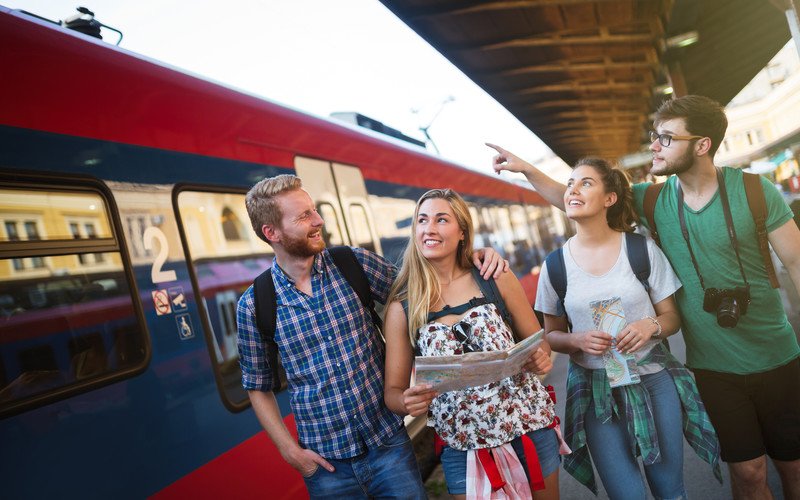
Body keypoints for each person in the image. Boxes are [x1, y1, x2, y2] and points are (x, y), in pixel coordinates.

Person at [488, 94, 800, 499]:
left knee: (792, 468)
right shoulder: (654, 200)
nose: (654, 145)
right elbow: (582, 199)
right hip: (713, 367)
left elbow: (795, 262)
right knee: (750, 473)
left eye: (666, 138)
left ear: (701, 145)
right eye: (655, 136)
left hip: (778, 355)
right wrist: (528, 169)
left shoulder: (756, 192)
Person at [236, 174, 507, 499]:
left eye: (314, 210)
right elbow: (257, 386)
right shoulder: (255, 304)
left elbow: (426, 291)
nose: (318, 220)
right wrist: (291, 453)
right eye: (304, 215)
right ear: (272, 233)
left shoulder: (353, 263)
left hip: (388, 446)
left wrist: (473, 257)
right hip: (325, 466)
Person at [533, 158, 720, 498]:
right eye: (571, 182)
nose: (573, 188)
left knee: (670, 491)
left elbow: (672, 318)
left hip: (653, 381)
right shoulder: (555, 265)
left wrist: (649, 327)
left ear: (610, 199)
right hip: (595, 393)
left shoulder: (640, 250)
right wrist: (577, 339)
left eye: (586, 183)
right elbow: (552, 334)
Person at [383, 188, 561, 500]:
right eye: (422, 220)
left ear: (462, 232)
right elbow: (393, 394)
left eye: (441, 219)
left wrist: (542, 359)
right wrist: (406, 402)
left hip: (528, 430)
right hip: (462, 448)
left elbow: (539, 345)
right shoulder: (403, 307)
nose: (429, 228)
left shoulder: (494, 277)